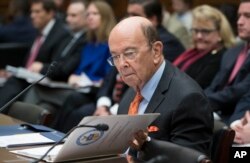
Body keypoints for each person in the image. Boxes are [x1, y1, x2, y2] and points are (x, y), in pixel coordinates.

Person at [108, 16, 213, 159]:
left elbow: (189, 159)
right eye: (115, 56)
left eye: (129, 54)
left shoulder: (188, 99)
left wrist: (148, 145)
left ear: (156, 51)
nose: (121, 64)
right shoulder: (130, 93)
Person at [54, 0, 116, 132]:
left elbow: (108, 78)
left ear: (105, 17)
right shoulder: (89, 43)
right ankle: (54, 134)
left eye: (95, 13)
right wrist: (74, 77)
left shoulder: (111, 45)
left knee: (74, 101)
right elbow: (80, 70)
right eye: (88, 14)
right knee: (70, 99)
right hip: (81, 89)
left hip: (98, 94)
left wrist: (90, 81)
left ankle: (57, 135)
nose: (90, 17)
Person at [0, 0, 69, 112]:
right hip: (26, 76)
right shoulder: (39, 31)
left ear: (50, 13)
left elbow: (58, 66)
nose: (32, 16)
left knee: (13, 83)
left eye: (37, 12)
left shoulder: (61, 34)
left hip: (41, 83)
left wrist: (40, 67)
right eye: (32, 12)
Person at [205, 0, 250, 123]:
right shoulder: (232, 52)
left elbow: (241, 90)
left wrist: (201, 101)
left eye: (247, 16)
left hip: (235, 118)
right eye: (239, 16)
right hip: (214, 112)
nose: (239, 22)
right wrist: (198, 98)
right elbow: (214, 85)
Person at [173, 5, 236, 89]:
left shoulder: (220, 58)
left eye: (205, 31)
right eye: (195, 30)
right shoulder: (192, 53)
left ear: (220, 33)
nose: (199, 36)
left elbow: (196, 88)